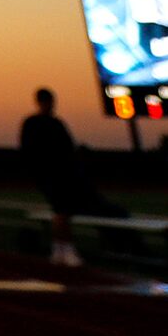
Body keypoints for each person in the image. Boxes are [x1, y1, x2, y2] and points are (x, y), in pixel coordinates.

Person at [21, 86, 123, 266]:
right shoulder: (34, 123)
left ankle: (61, 250)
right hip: (50, 176)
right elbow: (31, 152)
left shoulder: (55, 123)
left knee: (64, 210)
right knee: (62, 210)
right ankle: (64, 250)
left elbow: (68, 149)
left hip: (63, 175)